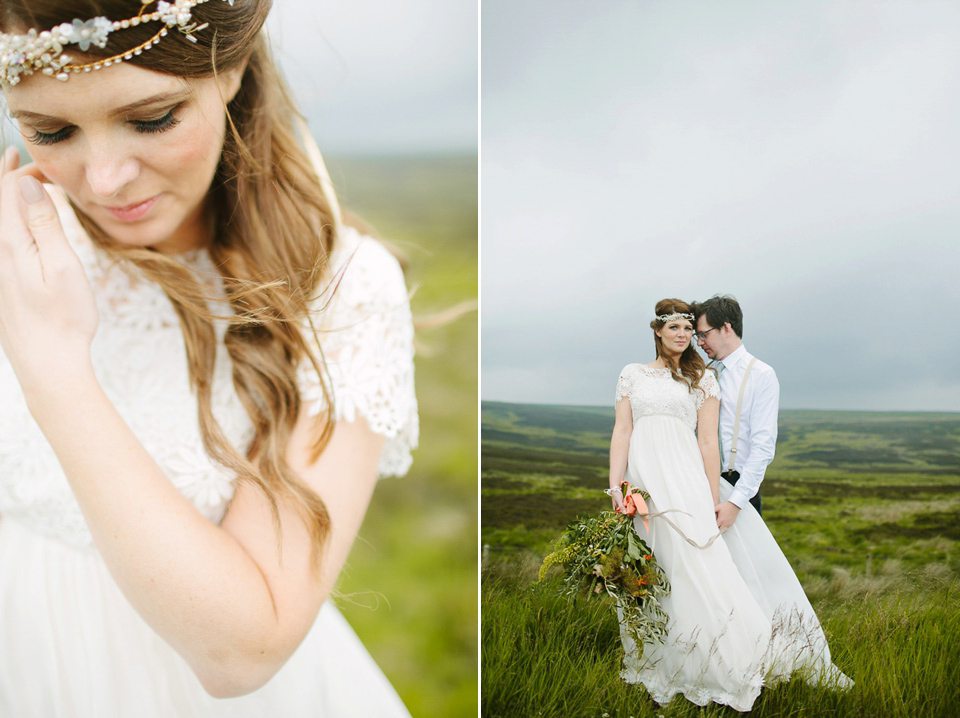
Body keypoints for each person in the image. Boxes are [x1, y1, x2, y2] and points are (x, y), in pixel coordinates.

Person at [0, 1, 417, 716]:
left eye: (152, 119)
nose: (104, 179)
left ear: (231, 68)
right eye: (51, 130)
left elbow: (242, 652)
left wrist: (53, 367)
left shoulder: (343, 289)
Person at [608, 299, 849, 712]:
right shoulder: (632, 375)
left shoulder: (704, 380)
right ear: (658, 332)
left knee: (700, 569)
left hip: (688, 484)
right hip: (643, 487)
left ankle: (724, 657)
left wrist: (711, 497)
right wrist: (616, 487)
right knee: (651, 569)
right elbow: (622, 430)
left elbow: (708, 442)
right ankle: (661, 653)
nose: (687, 337)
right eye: (678, 329)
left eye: (692, 330)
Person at [691, 295, 778, 529]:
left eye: (703, 334)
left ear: (726, 328)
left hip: (737, 488)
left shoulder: (761, 374)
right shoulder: (700, 374)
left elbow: (763, 446)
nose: (699, 343)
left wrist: (736, 502)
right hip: (697, 483)